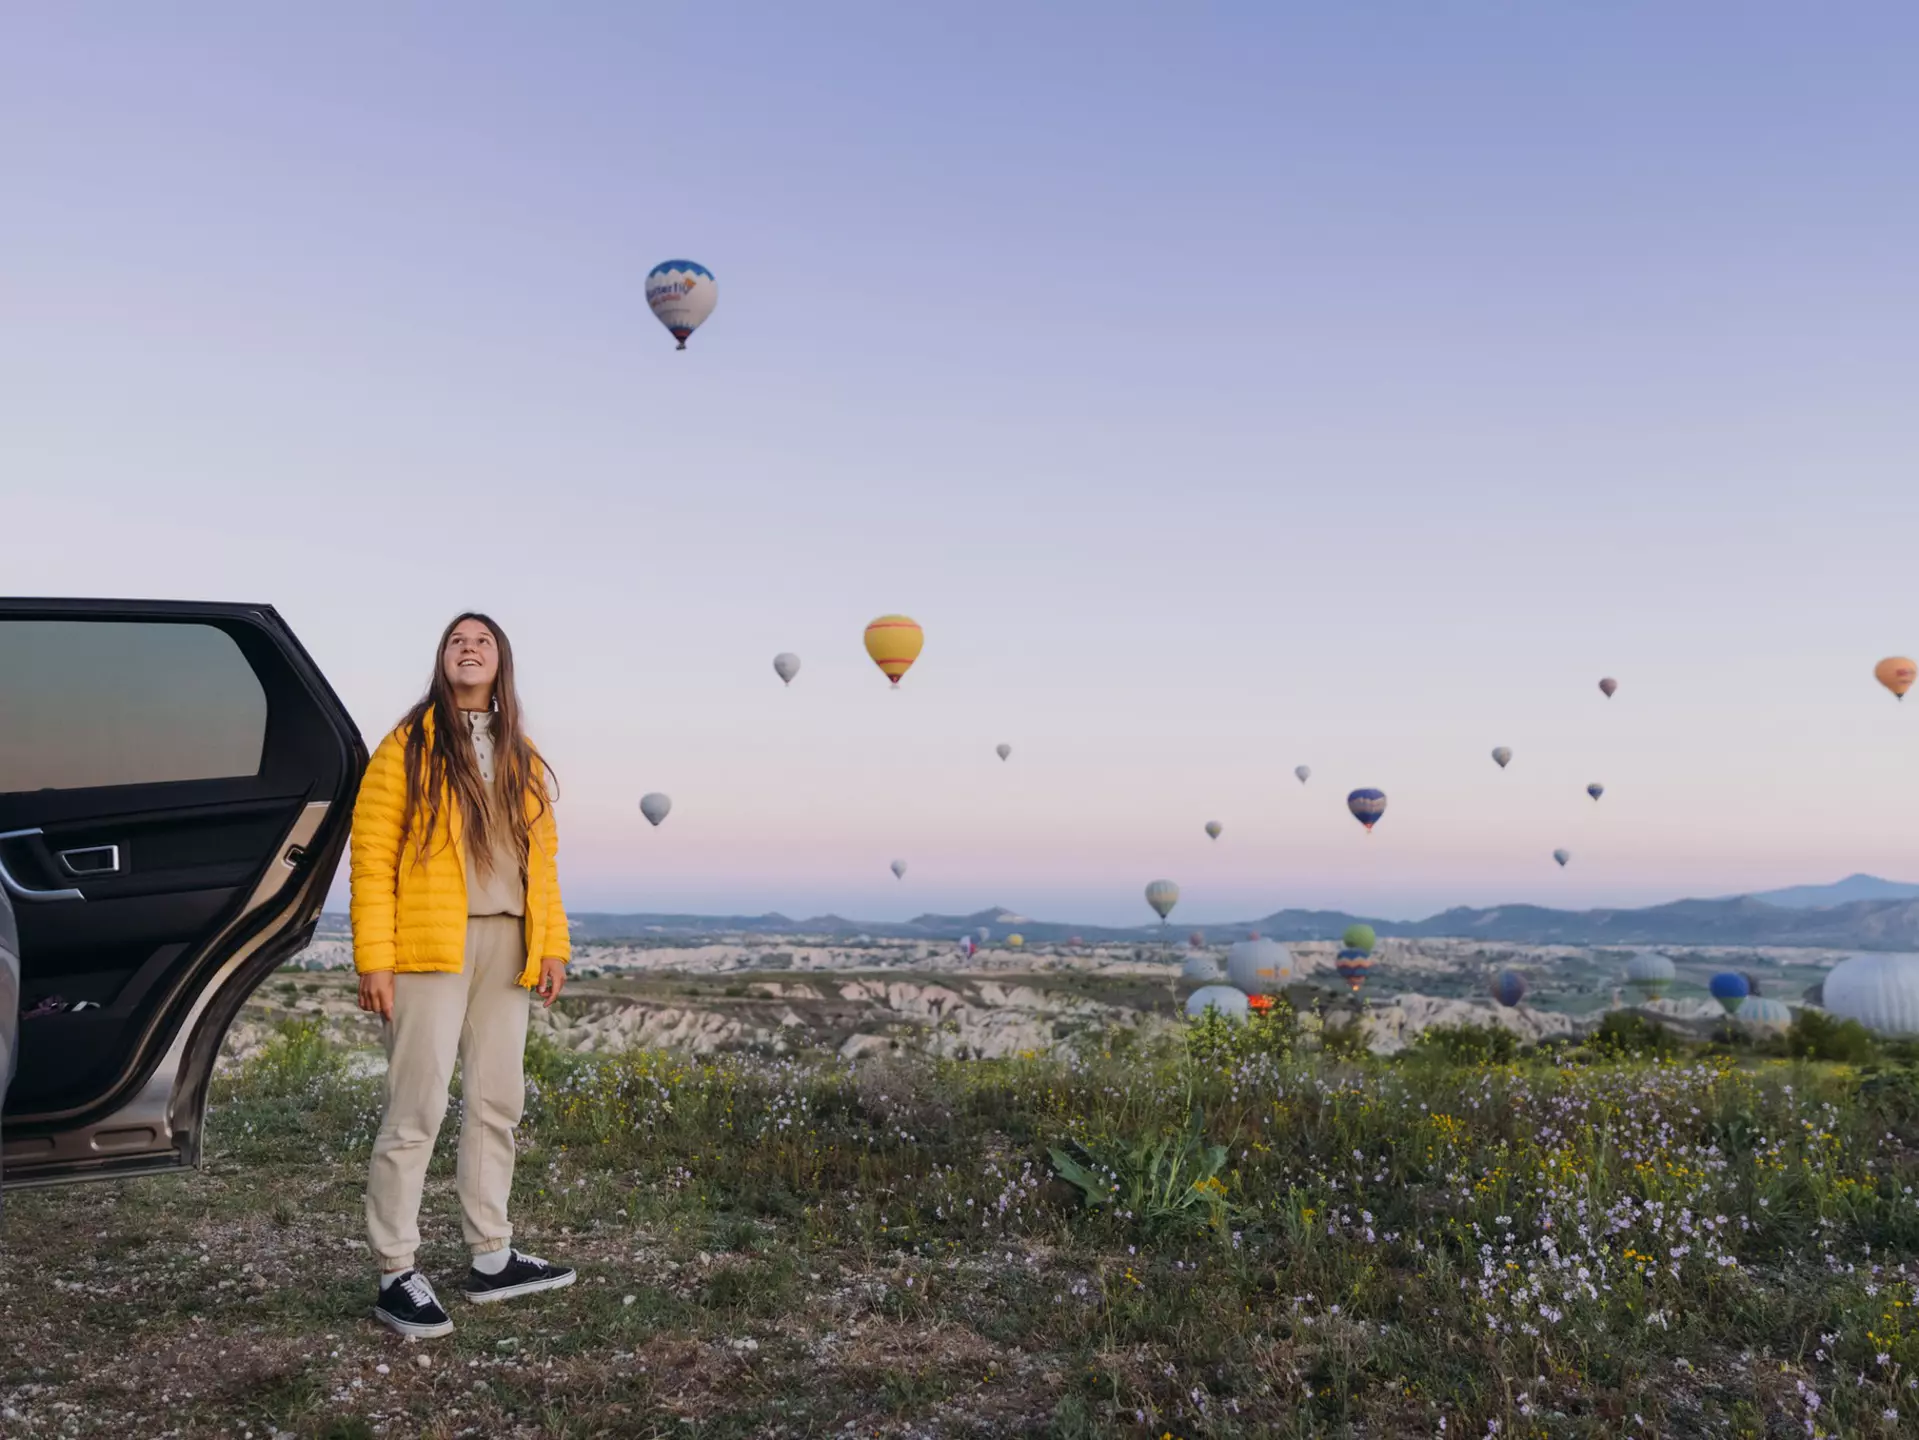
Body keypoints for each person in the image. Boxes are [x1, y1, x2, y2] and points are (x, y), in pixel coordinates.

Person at [352, 612, 576, 1338]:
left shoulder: (521, 751)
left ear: (500, 661)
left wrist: (552, 945)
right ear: (441, 660)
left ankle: (491, 1256)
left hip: (508, 943)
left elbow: (540, 862)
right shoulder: (405, 746)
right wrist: (374, 958)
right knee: (416, 1108)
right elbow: (371, 856)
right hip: (427, 949)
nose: (469, 648)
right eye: (457, 640)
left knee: (496, 1102)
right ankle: (395, 1272)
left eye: (482, 641)